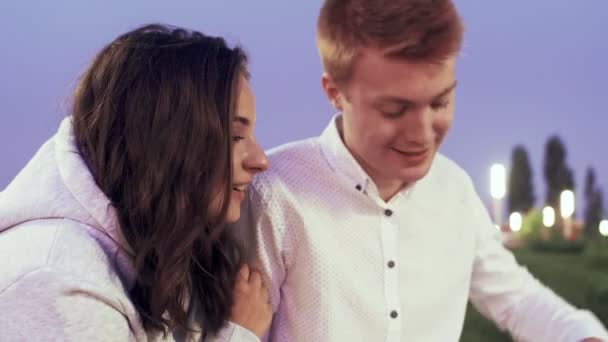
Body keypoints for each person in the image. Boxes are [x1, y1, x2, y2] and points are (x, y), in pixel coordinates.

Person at [232, 1, 608, 341]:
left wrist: (582, 335)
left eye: (440, 102)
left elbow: (517, 299)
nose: (423, 134)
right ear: (335, 92)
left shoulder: (455, 190)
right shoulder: (274, 194)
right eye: (395, 110)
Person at [0, 24, 271, 341]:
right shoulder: (58, 285)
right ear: (167, 141)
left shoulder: (151, 251)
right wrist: (239, 335)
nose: (261, 160)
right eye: (236, 137)